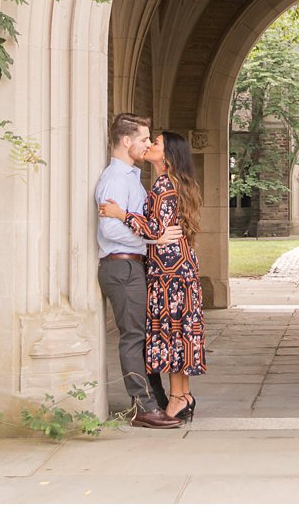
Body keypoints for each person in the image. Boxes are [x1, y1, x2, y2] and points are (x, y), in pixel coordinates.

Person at [100, 130, 207, 422]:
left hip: (168, 272)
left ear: (167, 156)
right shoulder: (179, 184)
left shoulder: (162, 186)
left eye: (155, 143)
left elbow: (156, 230)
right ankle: (184, 395)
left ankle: (175, 399)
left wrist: (121, 214)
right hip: (182, 268)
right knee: (182, 331)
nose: (149, 146)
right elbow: (162, 229)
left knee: (173, 332)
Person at [95, 113, 182, 429]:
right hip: (121, 266)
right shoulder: (115, 180)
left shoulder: (131, 177)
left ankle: (156, 399)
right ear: (126, 141)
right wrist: (152, 237)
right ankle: (143, 407)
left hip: (134, 264)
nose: (148, 144)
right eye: (144, 139)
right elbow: (110, 229)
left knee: (144, 335)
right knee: (133, 337)